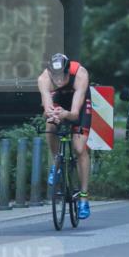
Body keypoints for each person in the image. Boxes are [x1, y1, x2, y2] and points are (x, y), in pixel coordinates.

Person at [38, 53, 92, 219]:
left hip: (78, 105)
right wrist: (52, 115)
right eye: (56, 77)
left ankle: (84, 197)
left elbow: (74, 114)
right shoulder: (44, 79)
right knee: (50, 124)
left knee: (79, 148)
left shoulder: (80, 74)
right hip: (59, 99)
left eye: (63, 76)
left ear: (69, 72)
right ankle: (57, 163)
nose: (59, 81)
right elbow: (47, 109)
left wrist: (66, 114)